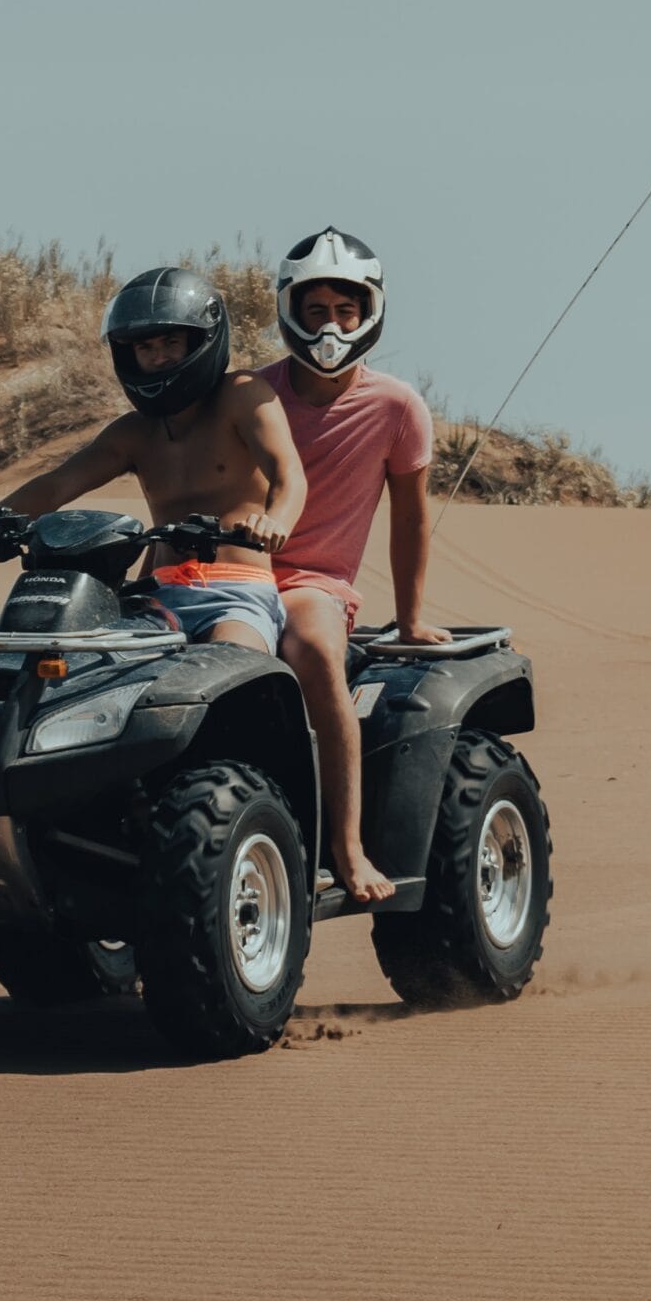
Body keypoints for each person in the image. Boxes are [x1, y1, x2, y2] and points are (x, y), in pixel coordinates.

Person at [0, 268, 305, 653]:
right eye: (144, 348)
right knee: (89, 667)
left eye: (171, 342)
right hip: (156, 597)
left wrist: (275, 521)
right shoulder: (134, 432)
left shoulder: (242, 394)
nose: (158, 357)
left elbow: (289, 474)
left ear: (201, 340)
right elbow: (57, 484)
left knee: (235, 663)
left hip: (237, 594)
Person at [261, 227, 449, 905]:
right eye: (316, 311)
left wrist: (414, 617)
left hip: (315, 583)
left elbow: (409, 518)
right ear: (288, 309)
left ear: (370, 312)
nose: (331, 326)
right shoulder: (250, 395)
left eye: (346, 310)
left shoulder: (398, 406)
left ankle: (345, 844)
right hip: (234, 574)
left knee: (310, 646)